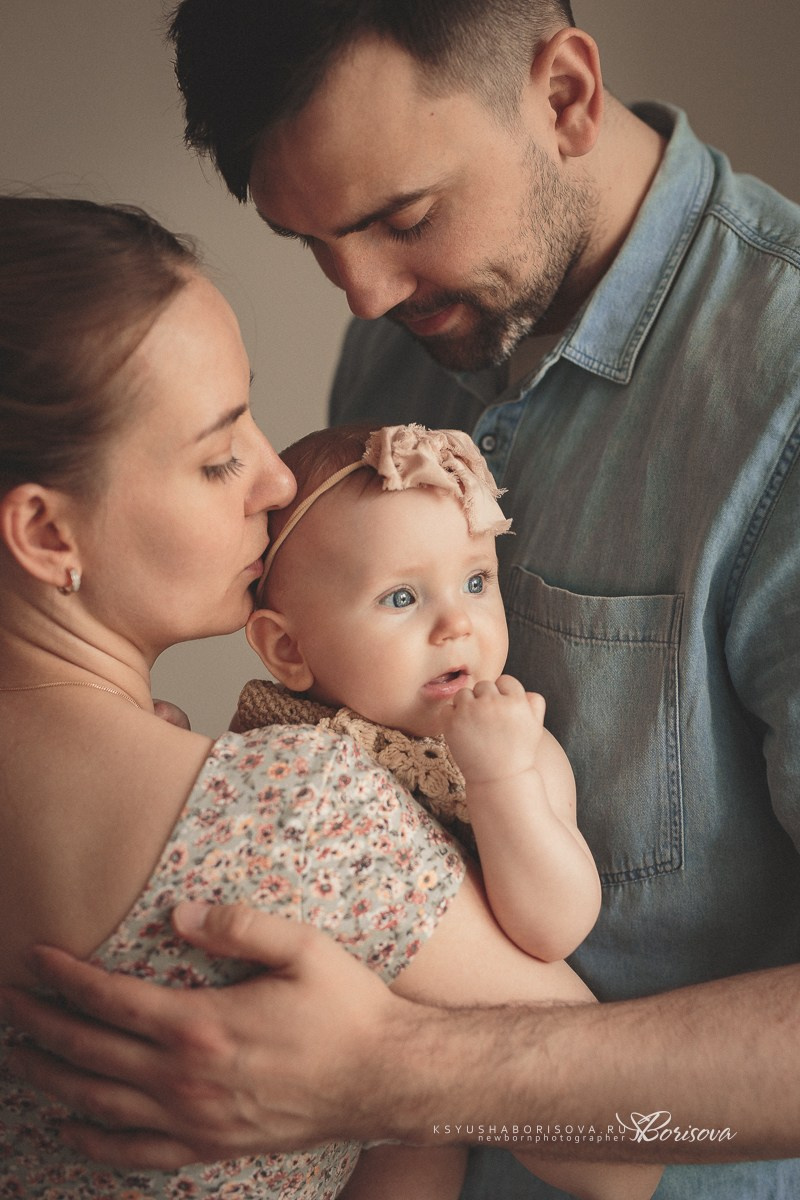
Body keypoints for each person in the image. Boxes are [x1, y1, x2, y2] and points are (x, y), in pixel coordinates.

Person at [3, 0, 800, 1197]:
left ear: (566, 95)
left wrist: (398, 1071)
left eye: (399, 219)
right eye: (312, 243)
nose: (361, 296)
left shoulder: (778, 399)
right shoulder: (406, 337)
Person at [0, 195, 661, 1200]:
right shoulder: (283, 814)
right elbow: (622, 1149)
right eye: (220, 453)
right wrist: (389, 1083)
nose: (272, 479)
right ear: (47, 534)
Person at [236, 420, 601, 963]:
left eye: (476, 583)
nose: (457, 623)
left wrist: (500, 779)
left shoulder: (517, 749)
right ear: (289, 649)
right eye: (402, 597)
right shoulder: (272, 731)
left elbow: (556, 929)